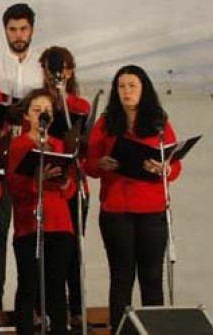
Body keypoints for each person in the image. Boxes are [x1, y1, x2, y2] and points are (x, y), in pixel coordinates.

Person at [85, 65, 181, 330]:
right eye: (121, 86)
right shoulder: (106, 122)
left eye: (132, 86)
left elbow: (174, 165)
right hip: (117, 209)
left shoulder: (158, 120)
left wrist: (166, 168)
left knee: (151, 278)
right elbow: (88, 163)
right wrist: (100, 163)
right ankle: (120, 330)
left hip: (152, 208)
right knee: (121, 278)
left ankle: (153, 330)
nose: (126, 91)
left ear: (144, 89)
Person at [8, 89, 75, 335]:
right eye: (36, 110)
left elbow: (70, 190)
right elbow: (14, 186)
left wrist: (66, 182)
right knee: (29, 284)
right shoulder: (19, 145)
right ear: (27, 114)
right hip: (29, 224)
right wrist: (37, 179)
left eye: (46, 110)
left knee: (57, 286)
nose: (41, 114)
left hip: (59, 223)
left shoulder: (59, 145)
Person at [38, 46, 92, 328]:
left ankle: (76, 308)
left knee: (74, 249)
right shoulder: (37, 104)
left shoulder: (80, 106)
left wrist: (63, 99)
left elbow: (84, 146)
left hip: (75, 184)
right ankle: (47, 305)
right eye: (49, 68)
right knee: (48, 249)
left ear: (70, 71)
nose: (54, 74)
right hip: (47, 186)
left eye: (61, 69)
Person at [0, 3, 44, 102]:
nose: (18, 35)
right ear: (5, 31)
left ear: (32, 30)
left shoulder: (43, 65)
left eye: (23, 29)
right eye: (12, 29)